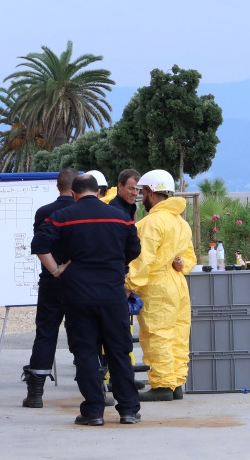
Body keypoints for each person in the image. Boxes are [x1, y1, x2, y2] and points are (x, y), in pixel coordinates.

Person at [31, 174, 142, 425]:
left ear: (74, 194)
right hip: (112, 294)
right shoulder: (120, 217)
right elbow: (134, 249)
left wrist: (56, 270)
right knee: (119, 351)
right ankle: (128, 410)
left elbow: (40, 244)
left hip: (77, 294)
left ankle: (93, 411)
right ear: (99, 192)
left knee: (85, 351)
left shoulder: (61, 216)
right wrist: (116, 264)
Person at [126, 169, 197, 402]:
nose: (141, 197)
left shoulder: (150, 223)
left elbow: (142, 260)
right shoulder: (181, 223)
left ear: (150, 192)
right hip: (178, 284)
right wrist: (180, 264)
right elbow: (190, 258)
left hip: (156, 286)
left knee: (157, 334)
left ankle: (162, 385)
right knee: (178, 333)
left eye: (142, 192)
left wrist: (128, 286)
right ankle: (176, 383)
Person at [21, 167, 78, 408]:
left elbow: (41, 243)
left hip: (51, 281)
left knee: (45, 334)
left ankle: (36, 393)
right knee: (85, 334)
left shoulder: (44, 212)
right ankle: (95, 388)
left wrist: (55, 270)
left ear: (57, 186)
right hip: (80, 283)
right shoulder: (82, 212)